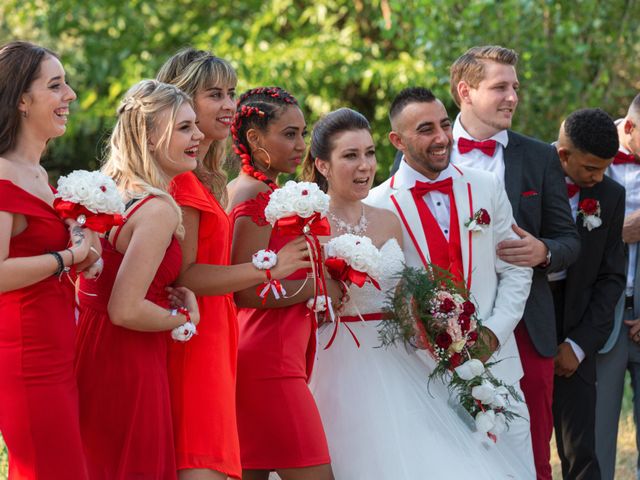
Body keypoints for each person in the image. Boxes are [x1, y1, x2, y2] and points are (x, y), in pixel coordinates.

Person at [304, 107, 533, 479]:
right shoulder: (308, 225)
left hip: (399, 359)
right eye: (350, 156)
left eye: (369, 153)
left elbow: (404, 294)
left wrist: (438, 322)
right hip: (334, 359)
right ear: (323, 165)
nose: (364, 166)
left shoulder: (386, 220)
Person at [157, 49, 309, 480]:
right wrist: (270, 269)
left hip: (217, 337)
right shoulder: (182, 183)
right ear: (183, 101)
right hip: (193, 341)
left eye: (231, 93)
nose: (229, 106)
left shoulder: (206, 177)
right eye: (214, 95)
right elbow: (186, 274)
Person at [367, 87, 536, 476]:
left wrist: (493, 332)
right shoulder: (378, 205)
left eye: (445, 124)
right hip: (424, 374)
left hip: (500, 365)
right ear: (397, 140)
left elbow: (515, 267)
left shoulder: (486, 185)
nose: (442, 137)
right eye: (426, 129)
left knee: (518, 470)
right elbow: (386, 293)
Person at [449, 45, 581, 480]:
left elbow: (568, 239)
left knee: (533, 447)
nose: (512, 97)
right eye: (500, 87)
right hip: (450, 322)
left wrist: (544, 251)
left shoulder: (539, 155)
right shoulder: (428, 148)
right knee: (452, 439)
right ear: (465, 92)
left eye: (515, 88)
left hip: (527, 323)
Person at [74, 80, 202, 480]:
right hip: (129, 362)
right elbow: (125, 309)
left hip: (89, 347)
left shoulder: (107, 192)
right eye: (183, 127)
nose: (198, 135)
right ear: (148, 137)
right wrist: (184, 317)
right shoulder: (157, 209)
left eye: (194, 125)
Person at [227, 87, 340, 480]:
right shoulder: (257, 197)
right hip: (268, 361)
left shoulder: (262, 191)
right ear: (255, 139)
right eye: (289, 134)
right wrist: (320, 286)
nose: (301, 145)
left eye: (303, 133)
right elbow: (244, 289)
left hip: (273, 353)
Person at [0, 40, 96, 480]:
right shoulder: (2, 175)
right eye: (56, 86)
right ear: (22, 99)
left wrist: (83, 252)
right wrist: (66, 257)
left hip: (59, 353)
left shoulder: (39, 174)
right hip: (26, 357)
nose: (70, 95)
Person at [549, 108, 625, 479]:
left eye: (605, 168)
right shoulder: (527, 173)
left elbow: (612, 275)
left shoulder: (609, 194)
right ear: (564, 154)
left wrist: (579, 345)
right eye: (591, 168)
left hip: (578, 316)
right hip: (525, 312)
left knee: (581, 449)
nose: (599, 177)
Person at [596, 93, 640, 480]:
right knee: (596, 442)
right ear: (629, 128)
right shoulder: (581, 148)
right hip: (598, 320)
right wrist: (617, 233)